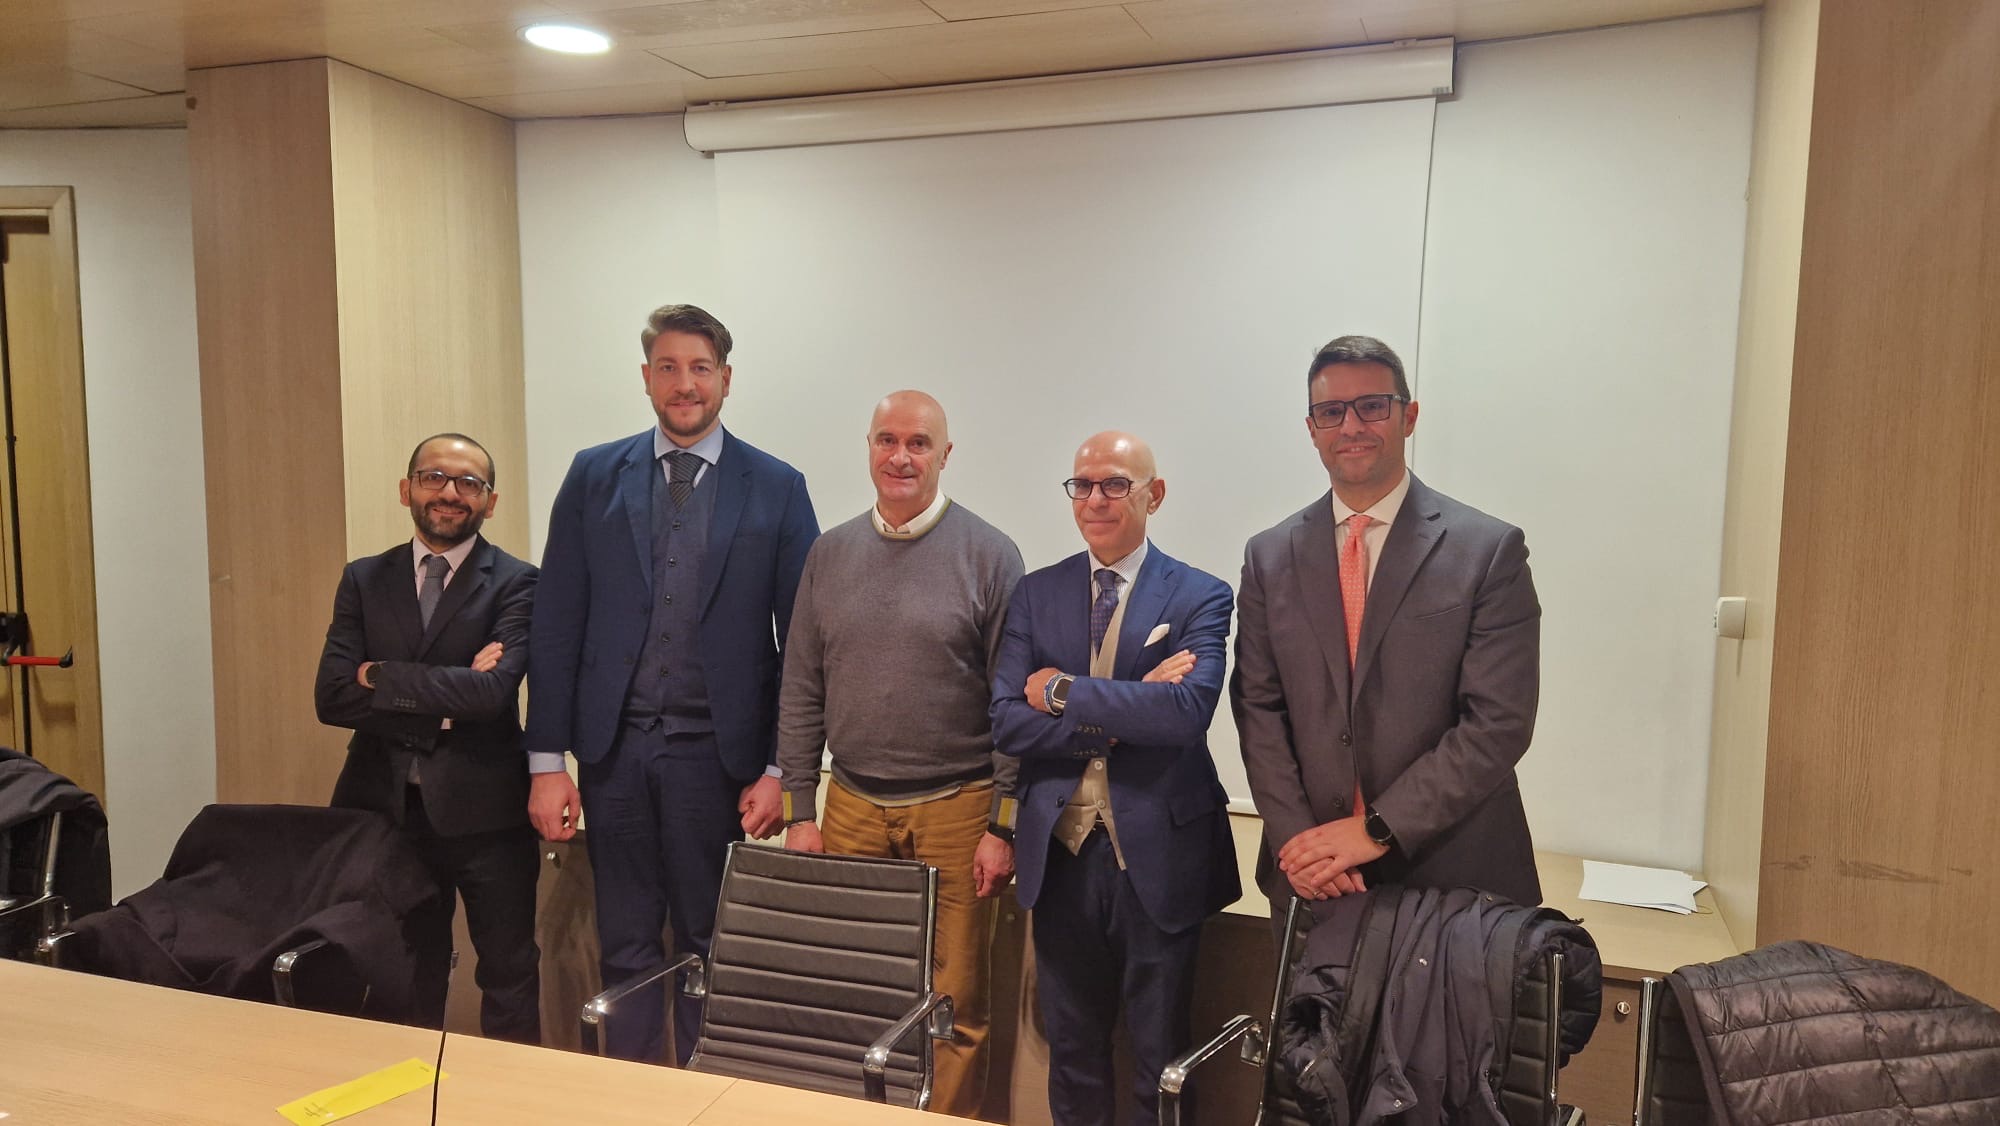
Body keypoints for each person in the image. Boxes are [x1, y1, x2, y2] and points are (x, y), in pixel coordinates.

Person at [524, 304, 819, 1063]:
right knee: (622, 943)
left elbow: (804, 645)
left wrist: (782, 770)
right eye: (668, 368)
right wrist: (547, 763)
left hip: (718, 761)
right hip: (613, 754)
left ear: (726, 378)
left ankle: (700, 1094)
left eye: (700, 368)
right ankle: (633, 1096)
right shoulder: (593, 475)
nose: (685, 384)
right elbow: (556, 623)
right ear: (647, 378)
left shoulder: (778, 487)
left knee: (709, 945)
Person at [1232, 334, 1542, 916]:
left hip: (1450, 880)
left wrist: (1377, 828)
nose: (1351, 426)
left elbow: (1498, 722)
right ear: (1312, 429)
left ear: (1409, 416)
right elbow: (1258, 708)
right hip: (1311, 880)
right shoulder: (1269, 556)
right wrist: (1301, 844)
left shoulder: (1487, 551)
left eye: (1372, 406)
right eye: (1332, 411)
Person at [776, 390, 1024, 1118]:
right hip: (850, 805)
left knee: (956, 1007)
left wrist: (1003, 824)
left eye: (919, 443)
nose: (901, 456)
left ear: (945, 454)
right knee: (859, 995)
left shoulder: (991, 555)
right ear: (869, 448)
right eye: (887, 440)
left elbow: (1013, 708)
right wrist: (799, 810)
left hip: (959, 810)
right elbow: (801, 687)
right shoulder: (830, 553)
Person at [990, 430, 1240, 1126]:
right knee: (1072, 1051)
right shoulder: (1035, 594)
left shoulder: (1200, 594)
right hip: (1061, 854)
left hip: (1159, 853)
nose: (1095, 499)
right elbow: (1007, 722)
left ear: (1153, 495)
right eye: (1083, 484)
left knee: (1162, 1060)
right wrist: (1128, 710)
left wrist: (1064, 692)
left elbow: (1186, 714)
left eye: (1115, 484)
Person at [314, 432, 541, 1043]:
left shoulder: (519, 582)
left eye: (469, 482)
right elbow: (331, 696)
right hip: (381, 808)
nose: (450, 492)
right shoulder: (364, 578)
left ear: (490, 501)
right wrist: (447, 699)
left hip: (488, 813)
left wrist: (378, 675)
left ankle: (510, 1090)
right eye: (434, 476)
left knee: (509, 971)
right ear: (406, 489)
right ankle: (405, 1088)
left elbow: (492, 694)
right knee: (402, 968)